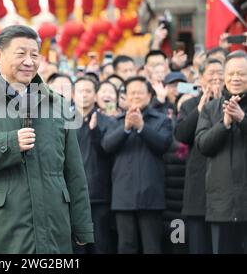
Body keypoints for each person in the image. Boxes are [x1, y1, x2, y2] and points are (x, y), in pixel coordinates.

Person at [0, 25, 94, 253]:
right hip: (2, 231)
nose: (29, 61)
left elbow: (74, 172)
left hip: (54, 230)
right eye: (21, 53)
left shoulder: (58, 105)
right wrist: (9, 144)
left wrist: (82, 226)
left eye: (34, 55)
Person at [103, 76, 173, 254]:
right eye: (131, 92)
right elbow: (107, 145)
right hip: (123, 196)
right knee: (126, 246)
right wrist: (126, 128)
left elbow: (163, 145)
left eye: (140, 92)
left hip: (152, 195)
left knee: (152, 247)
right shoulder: (116, 121)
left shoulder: (161, 120)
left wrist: (141, 127)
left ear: (149, 95)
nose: (135, 96)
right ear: (125, 96)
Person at [195, 51, 247, 254]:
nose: (235, 78)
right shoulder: (210, 109)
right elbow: (203, 145)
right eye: (231, 73)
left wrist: (242, 119)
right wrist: (224, 124)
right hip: (221, 204)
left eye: (241, 74)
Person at [174, 58, 224, 254]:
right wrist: (200, 110)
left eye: (220, 73)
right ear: (201, 78)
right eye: (211, 73)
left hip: (225, 187)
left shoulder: (234, 102)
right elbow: (181, 136)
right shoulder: (190, 105)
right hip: (198, 187)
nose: (216, 78)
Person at [74, 76, 116, 254]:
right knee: (76, 248)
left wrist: (95, 132)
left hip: (100, 195)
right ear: (73, 95)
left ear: (96, 95)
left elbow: (110, 152)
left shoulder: (108, 123)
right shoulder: (63, 123)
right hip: (73, 197)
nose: (84, 95)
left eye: (88, 91)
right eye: (80, 91)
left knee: (100, 245)